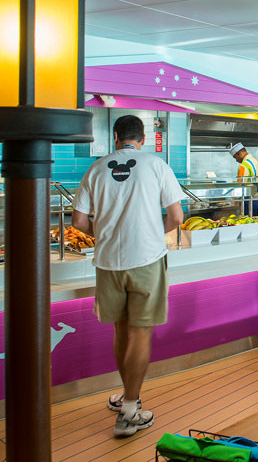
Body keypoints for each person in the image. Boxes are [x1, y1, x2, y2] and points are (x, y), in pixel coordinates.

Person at [71, 115, 184, 437]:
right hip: (146, 260)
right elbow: (176, 217)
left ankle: (126, 396)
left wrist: (107, 234)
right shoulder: (157, 165)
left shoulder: (96, 168)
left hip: (108, 263)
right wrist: (150, 233)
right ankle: (131, 409)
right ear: (143, 138)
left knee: (121, 331)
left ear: (115, 136)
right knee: (140, 333)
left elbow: (78, 221)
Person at [230, 142, 258, 216]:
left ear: (239, 153)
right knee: (256, 221)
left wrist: (236, 199)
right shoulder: (257, 161)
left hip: (249, 200)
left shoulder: (243, 165)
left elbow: (240, 185)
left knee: (248, 221)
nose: (236, 160)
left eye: (235, 157)